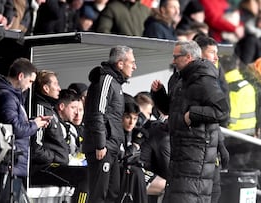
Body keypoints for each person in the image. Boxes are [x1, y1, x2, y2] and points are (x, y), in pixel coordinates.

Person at [151, 40, 229, 203]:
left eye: (176, 57)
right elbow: (172, 110)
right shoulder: (181, 80)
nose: (173, 61)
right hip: (181, 154)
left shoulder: (204, 79)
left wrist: (193, 115)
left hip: (196, 156)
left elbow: (223, 111)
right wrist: (159, 95)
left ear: (187, 57)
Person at [0, 58, 50, 202]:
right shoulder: (7, 97)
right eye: (30, 81)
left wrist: (32, 121)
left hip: (12, 162)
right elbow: (14, 128)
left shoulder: (11, 96)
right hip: (6, 162)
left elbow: (13, 124)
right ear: (20, 76)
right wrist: (35, 125)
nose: (30, 86)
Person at [82, 45, 137, 202]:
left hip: (111, 148)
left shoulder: (116, 83)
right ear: (120, 63)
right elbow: (97, 113)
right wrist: (100, 144)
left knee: (113, 193)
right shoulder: (105, 80)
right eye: (132, 62)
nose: (134, 66)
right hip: (102, 147)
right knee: (99, 195)